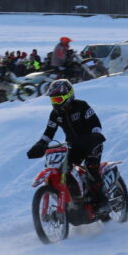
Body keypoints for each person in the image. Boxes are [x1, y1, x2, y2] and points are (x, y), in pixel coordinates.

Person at [26, 79, 109, 213]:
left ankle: (103, 201)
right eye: (53, 100)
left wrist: (94, 135)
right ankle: (75, 199)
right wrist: (41, 144)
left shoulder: (82, 106)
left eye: (58, 100)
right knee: (64, 169)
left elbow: (95, 123)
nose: (55, 103)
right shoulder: (55, 114)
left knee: (92, 168)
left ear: (68, 96)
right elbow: (49, 132)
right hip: (74, 147)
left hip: (91, 144)